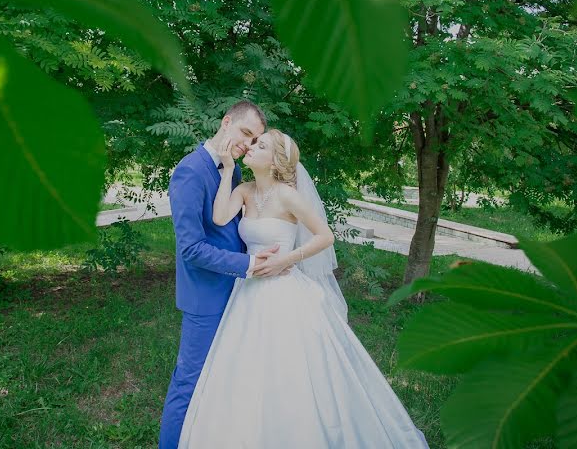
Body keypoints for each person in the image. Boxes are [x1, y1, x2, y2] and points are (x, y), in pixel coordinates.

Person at [178, 129, 430, 448]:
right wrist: (228, 168)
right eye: (254, 142)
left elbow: (325, 236)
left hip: (284, 291)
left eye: (261, 145)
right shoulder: (243, 189)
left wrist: (289, 258)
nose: (252, 146)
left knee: (291, 368)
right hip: (248, 292)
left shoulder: (288, 196)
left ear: (275, 161)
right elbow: (218, 217)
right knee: (246, 368)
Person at [158, 100, 281, 449]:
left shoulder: (233, 170)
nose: (247, 143)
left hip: (238, 294)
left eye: (255, 138)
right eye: (245, 132)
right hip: (206, 296)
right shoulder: (190, 171)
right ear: (226, 122)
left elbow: (231, 228)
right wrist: (248, 265)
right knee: (190, 381)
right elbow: (192, 249)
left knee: (223, 378)